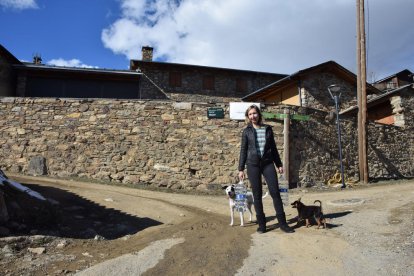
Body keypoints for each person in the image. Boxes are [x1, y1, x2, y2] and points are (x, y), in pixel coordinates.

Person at [238, 104, 294, 234]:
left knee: (275, 192)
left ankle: (283, 224)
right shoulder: (246, 131)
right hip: (252, 165)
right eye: (250, 114)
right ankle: (262, 225)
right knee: (257, 195)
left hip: (268, 163)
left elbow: (273, 148)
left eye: (254, 113)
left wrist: (279, 164)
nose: (253, 116)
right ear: (248, 116)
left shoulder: (268, 129)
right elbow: (243, 150)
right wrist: (241, 169)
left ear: (259, 114)